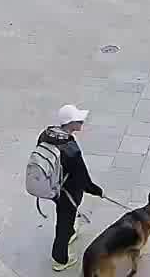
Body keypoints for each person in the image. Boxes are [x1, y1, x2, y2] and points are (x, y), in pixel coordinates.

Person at [41, 104, 104, 272]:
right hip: (68, 191)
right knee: (64, 221)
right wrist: (95, 190)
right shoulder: (70, 148)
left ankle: (69, 233)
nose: (81, 122)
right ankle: (60, 259)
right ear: (70, 124)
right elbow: (82, 176)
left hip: (53, 186)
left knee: (65, 216)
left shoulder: (46, 134)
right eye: (78, 120)